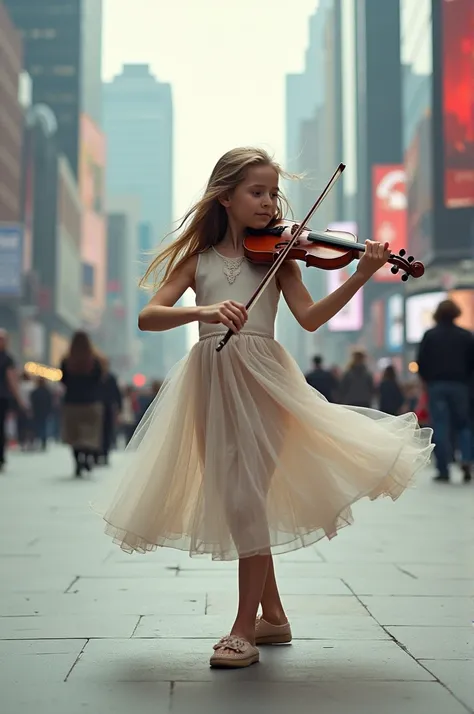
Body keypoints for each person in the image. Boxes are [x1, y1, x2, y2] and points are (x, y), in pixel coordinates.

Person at [100, 147, 433, 668]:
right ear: (226, 198)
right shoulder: (200, 261)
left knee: (246, 495)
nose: (267, 202)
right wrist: (206, 310)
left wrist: (361, 273)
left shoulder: (280, 257)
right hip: (209, 380)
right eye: (256, 192)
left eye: (272, 192)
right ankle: (273, 616)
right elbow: (149, 316)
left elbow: (311, 318)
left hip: (265, 381)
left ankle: (242, 630)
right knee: (238, 501)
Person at [417, 299, 474, 483]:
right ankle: (466, 459)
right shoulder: (465, 335)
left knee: (440, 426)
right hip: (460, 386)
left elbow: (421, 362)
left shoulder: (430, 335)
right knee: (464, 425)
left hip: (437, 385)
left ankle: (443, 468)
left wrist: (426, 381)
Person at [60, 331, 104, 477]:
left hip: (72, 402)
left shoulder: (67, 361)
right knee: (89, 434)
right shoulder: (95, 361)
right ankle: (87, 457)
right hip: (91, 402)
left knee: (74, 435)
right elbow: (99, 380)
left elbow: (63, 381)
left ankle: (77, 461)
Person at [0, 330, 23, 471]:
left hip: (2, 397)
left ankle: (1, 455)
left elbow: (12, 379)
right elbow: (12, 379)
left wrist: (18, 397)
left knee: (1, 428)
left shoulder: (8, 359)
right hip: (3, 397)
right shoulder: (8, 358)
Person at [30, 377, 53, 451]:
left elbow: (32, 403)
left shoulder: (34, 392)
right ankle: (43, 441)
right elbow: (50, 403)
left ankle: (36, 441)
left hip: (37, 412)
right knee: (44, 426)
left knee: (36, 427)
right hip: (44, 412)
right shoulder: (47, 392)